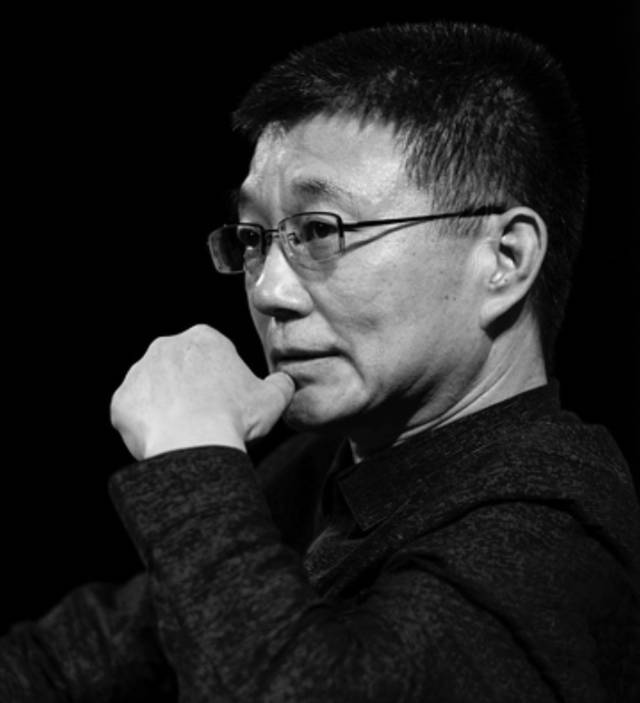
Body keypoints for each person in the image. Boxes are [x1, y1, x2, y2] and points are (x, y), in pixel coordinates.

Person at [2, 21, 639, 702]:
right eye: (255, 237)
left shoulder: (555, 525)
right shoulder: (314, 469)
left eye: (318, 230)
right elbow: (62, 666)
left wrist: (191, 454)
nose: (268, 291)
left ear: (505, 259)